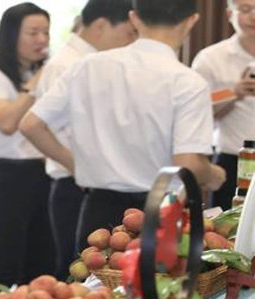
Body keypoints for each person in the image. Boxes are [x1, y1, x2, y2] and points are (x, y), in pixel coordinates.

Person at [20, 0, 226, 253]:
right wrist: (215, 175)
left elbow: (31, 125)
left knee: (92, 288)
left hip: (97, 209)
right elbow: (189, 164)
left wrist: (78, 166)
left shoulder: (87, 66)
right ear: (192, 20)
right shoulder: (187, 81)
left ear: (134, 18)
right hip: (159, 211)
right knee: (157, 288)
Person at [34, 0, 136, 280]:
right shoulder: (71, 65)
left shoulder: (87, 62)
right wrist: (81, 169)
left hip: (84, 182)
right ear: (101, 25)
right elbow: (37, 127)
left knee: (89, 272)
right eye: (128, 33)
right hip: (74, 185)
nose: (130, 42)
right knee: (77, 273)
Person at [0, 2, 53, 299]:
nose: (41, 39)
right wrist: (35, 86)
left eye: (45, 32)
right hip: (11, 177)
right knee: (5, 268)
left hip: (46, 174)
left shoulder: (41, 72)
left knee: (43, 267)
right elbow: (6, 122)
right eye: (33, 32)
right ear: (10, 35)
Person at [192, 0, 255, 210]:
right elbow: (195, 109)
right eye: (246, 9)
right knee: (227, 233)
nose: (254, 16)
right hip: (233, 160)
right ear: (230, 14)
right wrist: (234, 92)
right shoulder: (211, 58)